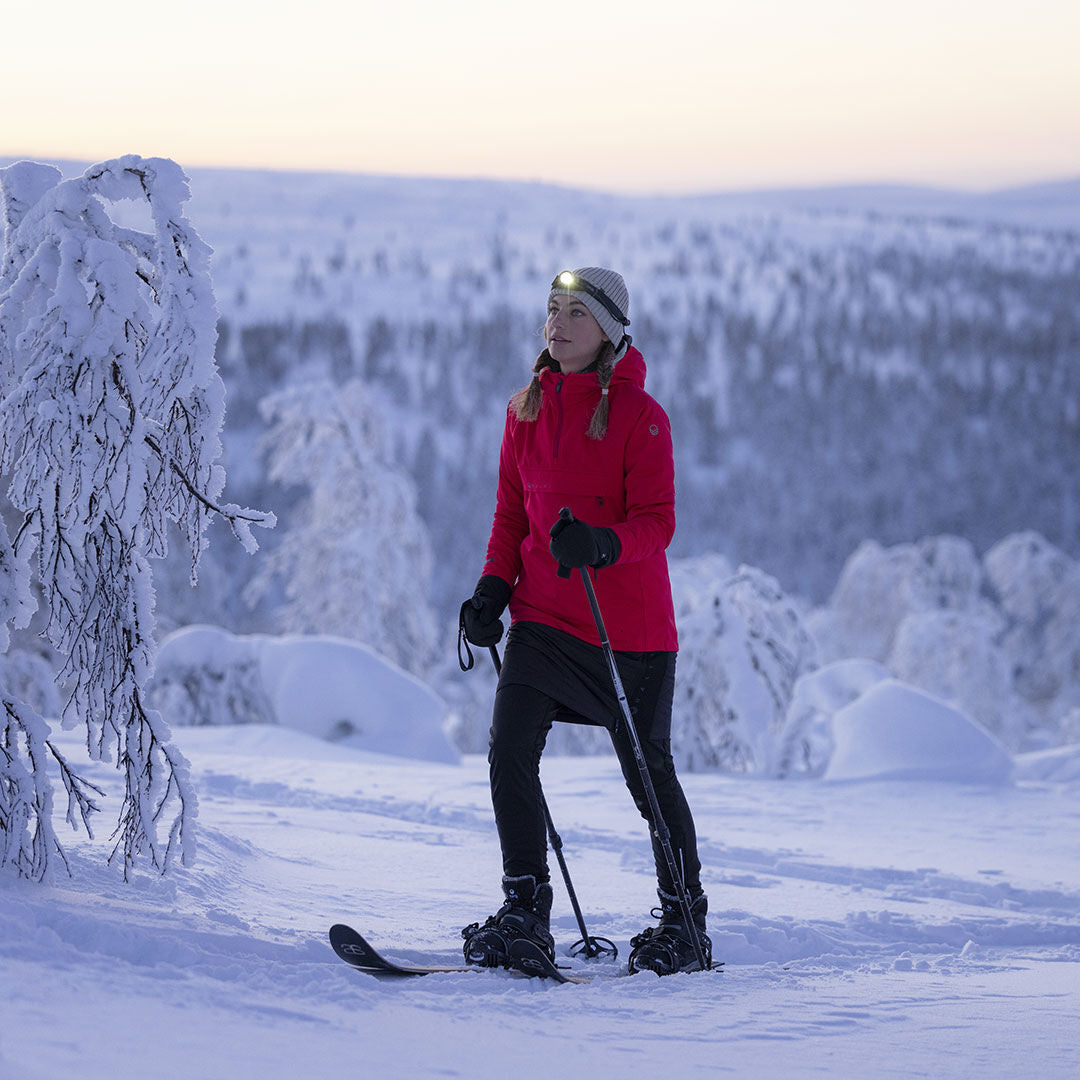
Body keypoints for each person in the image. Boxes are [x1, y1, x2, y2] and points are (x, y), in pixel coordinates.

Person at [458, 267, 711, 976]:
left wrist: (602, 544)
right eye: (552, 309)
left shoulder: (642, 417)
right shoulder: (524, 411)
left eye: (575, 311)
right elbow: (512, 516)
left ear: (609, 330)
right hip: (541, 622)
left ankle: (684, 920)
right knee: (509, 749)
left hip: (626, 634)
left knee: (648, 777)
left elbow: (658, 525)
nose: (557, 322)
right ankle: (524, 908)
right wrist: (491, 590)